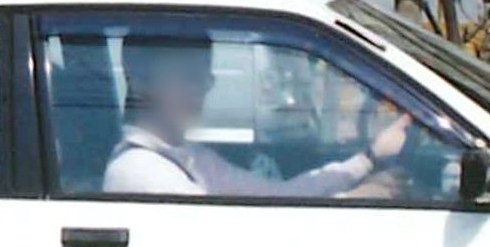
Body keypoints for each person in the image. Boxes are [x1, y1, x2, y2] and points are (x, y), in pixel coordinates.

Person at [105, 33, 410, 198]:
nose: (201, 89)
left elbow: (279, 197)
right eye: (188, 76)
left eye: (204, 77)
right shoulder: (141, 172)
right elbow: (238, 239)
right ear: (140, 80)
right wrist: (355, 201)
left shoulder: (192, 159)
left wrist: (368, 159)